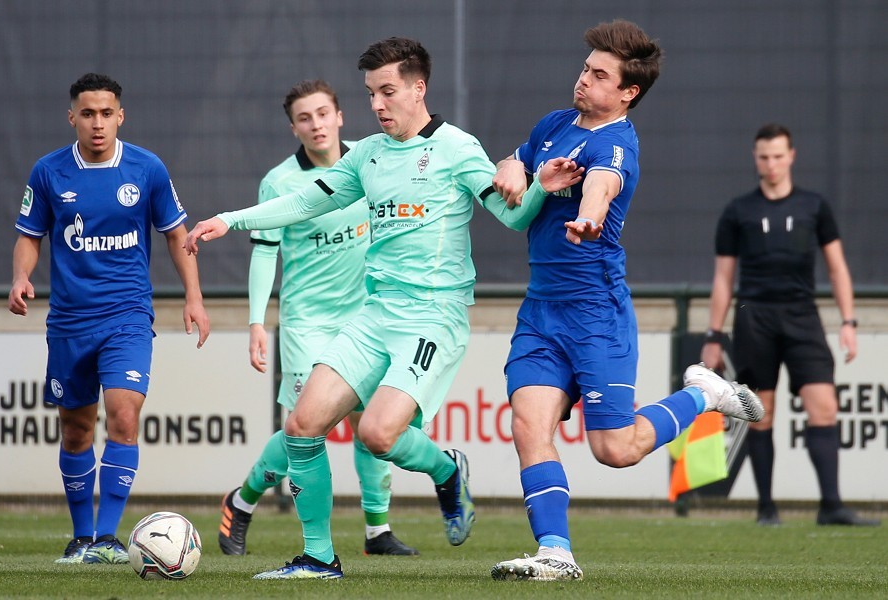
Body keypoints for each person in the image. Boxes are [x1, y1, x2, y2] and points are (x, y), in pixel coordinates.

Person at [185, 37, 581, 580]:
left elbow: (512, 218)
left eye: (388, 91)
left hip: (432, 318)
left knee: (375, 435)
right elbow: (305, 201)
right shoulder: (367, 154)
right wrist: (233, 219)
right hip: (374, 315)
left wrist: (540, 189)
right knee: (302, 424)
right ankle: (319, 558)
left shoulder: (457, 148)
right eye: (371, 93)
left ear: (419, 89)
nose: (377, 104)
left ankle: (447, 474)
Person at [488, 20, 765, 582]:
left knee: (615, 449)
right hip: (541, 310)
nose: (582, 80)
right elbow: (512, 161)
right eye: (585, 68)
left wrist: (588, 217)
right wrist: (514, 172)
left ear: (627, 92)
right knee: (527, 423)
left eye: (598, 75)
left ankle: (703, 396)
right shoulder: (555, 122)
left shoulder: (617, 143)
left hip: (596, 314)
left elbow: (601, 186)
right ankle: (555, 553)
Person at [8, 73, 210, 564]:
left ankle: (107, 538)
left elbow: (176, 234)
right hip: (70, 322)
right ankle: (81, 539)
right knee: (76, 429)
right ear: (72, 117)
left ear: (120, 116)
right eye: (88, 114)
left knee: (123, 415)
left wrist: (195, 297)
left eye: (106, 114)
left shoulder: (147, 169)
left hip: (128, 315)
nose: (97, 124)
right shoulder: (49, 172)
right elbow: (30, 235)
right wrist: (20, 277)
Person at [217, 79, 417, 557]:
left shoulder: (372, 161)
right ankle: (242, 501)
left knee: (373, 424)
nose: (316, 124)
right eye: (305, 118)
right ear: (294, 128)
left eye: (323, 113)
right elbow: (265, 254)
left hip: (368, 319)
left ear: (340, 116)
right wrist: (255, 322)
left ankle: (377, 532)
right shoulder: (281, 181)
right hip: (308, 324)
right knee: (306, 427)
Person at [700, 123, 880, 528]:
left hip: (802, 317)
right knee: (761, 413)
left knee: (824, 407)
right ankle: (766, 508)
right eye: (764, 157)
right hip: (754, 318)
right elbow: (724, 278)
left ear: (792, 156)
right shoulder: (738, 211)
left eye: (779, 156)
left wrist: (849, 322)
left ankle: (831, 506)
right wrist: (714, 334)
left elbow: (837, 268)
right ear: (755, 158)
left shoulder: (814, 206)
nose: (772, 164)